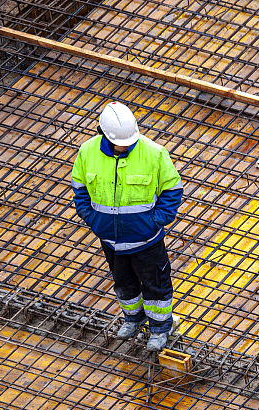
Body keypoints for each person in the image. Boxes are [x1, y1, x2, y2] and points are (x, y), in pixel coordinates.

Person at [71, 101, 184, 351]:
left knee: (156, 285)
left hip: (146, 240)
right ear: (104, 135)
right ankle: (133, 319)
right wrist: (93, 219)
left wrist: (156, 221)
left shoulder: (154, 153)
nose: (126, 146)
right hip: (111, 239)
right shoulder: (87, 152)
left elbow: (173, 189)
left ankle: (160, 329)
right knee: (123, 283)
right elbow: (79, 188)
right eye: (121, 143)